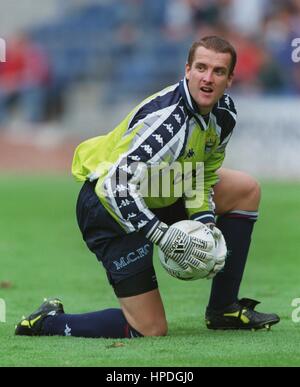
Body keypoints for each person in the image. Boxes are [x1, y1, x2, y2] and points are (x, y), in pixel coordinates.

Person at [15, 36, 279, 339]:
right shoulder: (166, 124)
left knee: (245, 189)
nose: (208, 78)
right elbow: (114, 188)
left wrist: (204, 223)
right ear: (188, 70)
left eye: (218, 71)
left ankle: (224, 309)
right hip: (106, 205)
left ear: (230, 79)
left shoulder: (224, 115)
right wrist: (163, 236)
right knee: (149, 329)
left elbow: (201, 172)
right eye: (201, 68)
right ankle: (46, 322)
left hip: (156, 188)